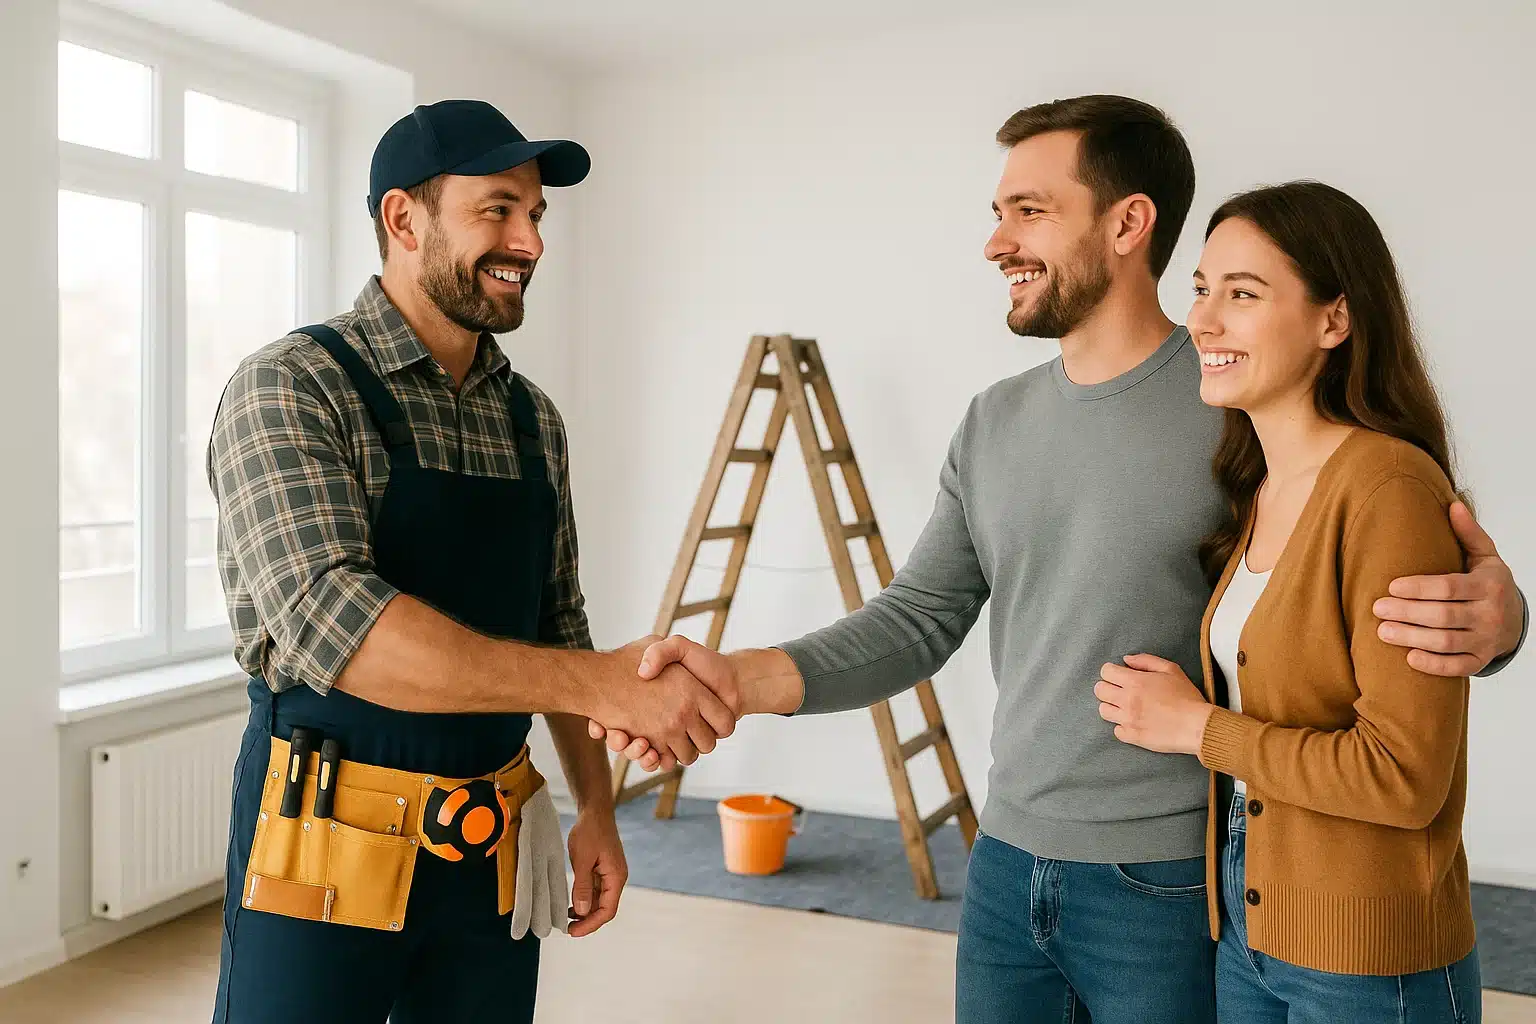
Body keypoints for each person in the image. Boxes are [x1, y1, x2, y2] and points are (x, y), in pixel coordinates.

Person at [592, 96, 1529, 1023]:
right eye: (997, 215)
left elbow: (1366, 563)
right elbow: (918, 618)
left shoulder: (1244, 408)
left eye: (1029, 211)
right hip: (1003, 863)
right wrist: (735, 679)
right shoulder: (994, 421)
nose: (997, 242)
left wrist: (1498, 620)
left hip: (1176, 879)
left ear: (1128, 223)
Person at [206, 100, 740, 1024]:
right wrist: (603, 686)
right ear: (403, 219)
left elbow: (556, 622)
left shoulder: (532, 419)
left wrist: (597, 810)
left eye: (537, 214)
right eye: (498, 208)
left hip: (487, 843)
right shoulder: (292, 384)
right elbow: (344, 630)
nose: (529, 239)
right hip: (321, 832)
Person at [1096, 181, 1483, 1022]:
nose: (1202, 321)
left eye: (1243, 294)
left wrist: (1196, 729)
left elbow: (1404, 776)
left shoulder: (1384, 486)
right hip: (1251, 937)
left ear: (1333, 321)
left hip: (1370, 966)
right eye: (1202, 290)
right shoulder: (1261, 488)